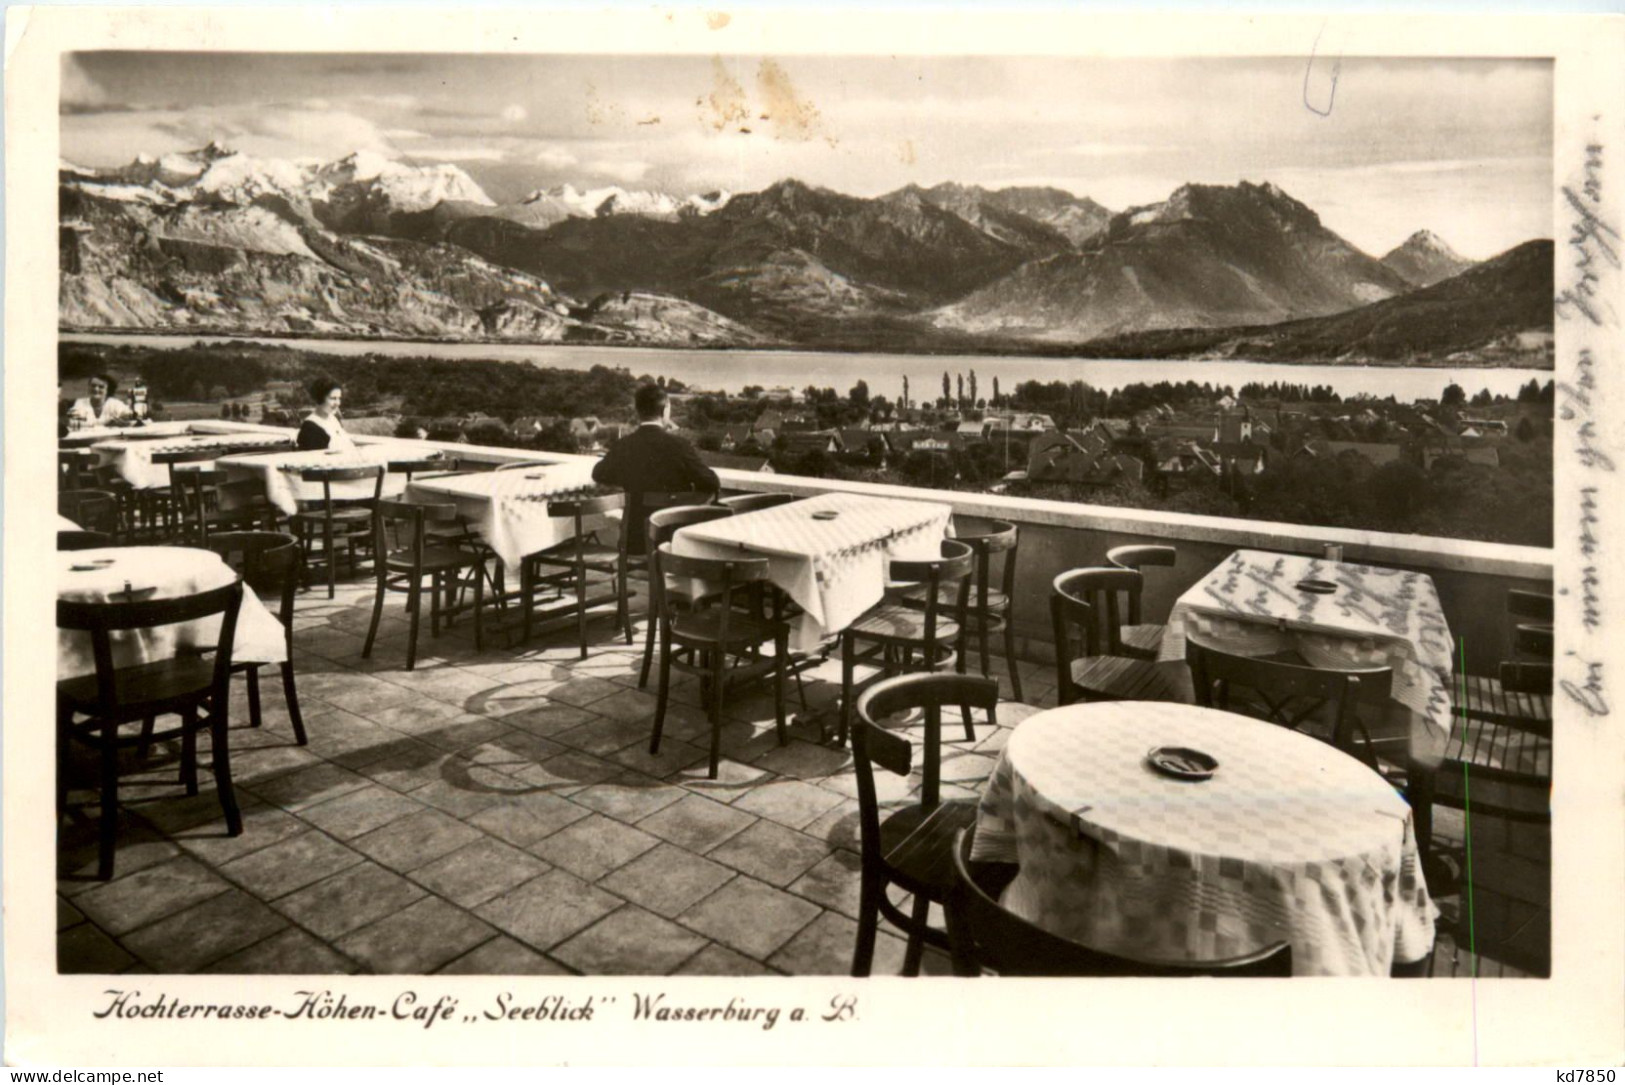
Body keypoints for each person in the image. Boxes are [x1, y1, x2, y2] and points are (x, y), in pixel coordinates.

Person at [592, 382, 718, 552]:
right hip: (673, 542)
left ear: (637, 412)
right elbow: (712, 483)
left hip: (634, 540)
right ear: (665, 410)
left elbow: (599, 474)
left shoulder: (623, 445)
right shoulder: (679, 445)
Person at [296, 378, 357, 452]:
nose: (338, 403)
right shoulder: (311, 427)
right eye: (333, 398)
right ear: (320, 398)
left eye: (339, 398)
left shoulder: (333, 419)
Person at [66, 374, 132, 427]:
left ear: (107, 390)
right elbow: (73, 422)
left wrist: (124, 421)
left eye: (101, 387)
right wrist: (106, 424)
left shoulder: (115, 404)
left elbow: (129, 417)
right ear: (89, 387)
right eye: (93, 386)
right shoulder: (80, 403)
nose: (96, 389)